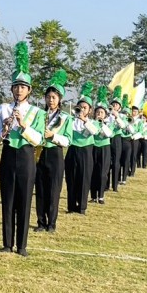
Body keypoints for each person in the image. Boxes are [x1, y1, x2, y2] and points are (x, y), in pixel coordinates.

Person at [0, 42, 44, 257]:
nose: (19, 90)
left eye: (23, 87)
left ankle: (21, 245)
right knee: (8, 200)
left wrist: (23, 125)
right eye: (16, 86)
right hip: (7, 155)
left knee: (24, 200)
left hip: (26, 157)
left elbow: (38, 139)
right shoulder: (2, 109)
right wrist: (4, 130)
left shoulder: (37, 112)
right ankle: (7, 243)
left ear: (29, 90)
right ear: (11, 89)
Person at [34, 69, 72, 233]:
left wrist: (53, 136)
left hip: (55, 154)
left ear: (59, 99)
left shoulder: (65, 118)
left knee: (53, 190)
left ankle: (52, 223)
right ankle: (41, 222)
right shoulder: (39, 115)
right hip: (39, 153)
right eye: (48, 97)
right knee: (40, 189)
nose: (50, 100)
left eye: (54, 97)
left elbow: (68, 140)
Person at [65, 84, 98, 215]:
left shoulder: (92, 122)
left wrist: (84, 120)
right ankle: (71, 206)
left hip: (86, 151)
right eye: (80, 107)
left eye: (85, 108)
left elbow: (94, 131)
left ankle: (82, 207)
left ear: (90, 110)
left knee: (84, 178)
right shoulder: (71, 120)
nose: (82, 110)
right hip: (72, 150)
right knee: (71, 178)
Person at [89, 86, 113, 204]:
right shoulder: (92, 122)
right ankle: (93, 195)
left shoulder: (108, 123)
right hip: (94, 147)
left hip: (104, 149)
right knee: (93, 172)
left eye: (102, 112)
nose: (99, 114)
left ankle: (101, 196)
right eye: (97, 112)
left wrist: (102, 124)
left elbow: (109, 134)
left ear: (105, 114)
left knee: (103, 173)